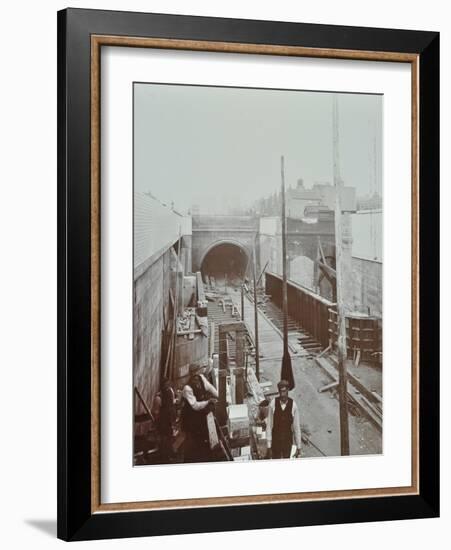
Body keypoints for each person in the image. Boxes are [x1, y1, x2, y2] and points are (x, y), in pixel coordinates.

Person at [181, 364, 219, 462]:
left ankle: (205, 450)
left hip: (201, 412)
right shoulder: (187, 388)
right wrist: (208, 402)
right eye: (197, 371)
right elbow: (195, 406)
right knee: (193, 438)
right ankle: (193, 458)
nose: (199, 373)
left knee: (203, 433)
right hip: (191, 416)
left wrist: (219, 396)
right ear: (193, 373)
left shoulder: (201, 378)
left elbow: (210, 387)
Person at [266, 379, 302, 459]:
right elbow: (269, 425)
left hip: (287, 441)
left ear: (288, 390)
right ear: (278, 392)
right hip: (276, 441)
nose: (282, 394)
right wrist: (269, 446)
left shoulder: (293, 405)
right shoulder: (273, 404)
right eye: (281, 392)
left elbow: (296, 428)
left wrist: (298, 447)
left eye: (284, 391)